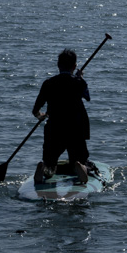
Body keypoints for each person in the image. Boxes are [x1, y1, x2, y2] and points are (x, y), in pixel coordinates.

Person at [32, 48, 91, 184]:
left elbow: (35, 109)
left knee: (50, 162)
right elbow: (87, 97)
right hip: (75, 129)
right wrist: (80, 78)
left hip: (54, 129)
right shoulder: (78, 82)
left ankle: (45, 168)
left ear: (58, 65)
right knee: (81, 159)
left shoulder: (48, 83)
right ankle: (79, 166)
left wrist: (39, 115)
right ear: (74, 66)